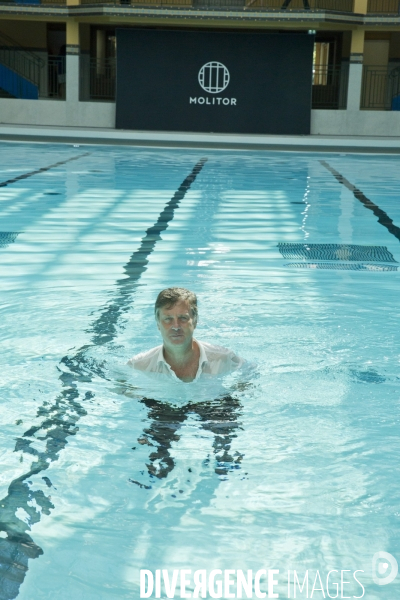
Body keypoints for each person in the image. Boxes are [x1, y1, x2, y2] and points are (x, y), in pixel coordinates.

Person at [128, 287, 243, 382]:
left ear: (195, 320)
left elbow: (250, 373)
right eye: (168, 319)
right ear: (158, 323)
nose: (176, 326)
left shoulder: (224, 359)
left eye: (183, 318)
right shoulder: (139, 366)